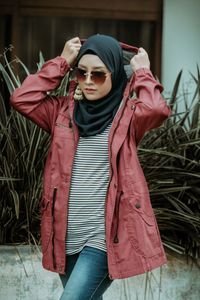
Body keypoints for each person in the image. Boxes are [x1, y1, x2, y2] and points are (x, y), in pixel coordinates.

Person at [10, 34, 171, 300]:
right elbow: (22, 98)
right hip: (66, 235)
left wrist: (143, 72)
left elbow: (156, 110)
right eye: (81, 73)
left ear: (116, 74)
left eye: (98, 75)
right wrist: (62, 62)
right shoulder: (62, 112)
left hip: (103, 238)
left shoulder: (129, 116)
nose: (87, 81)